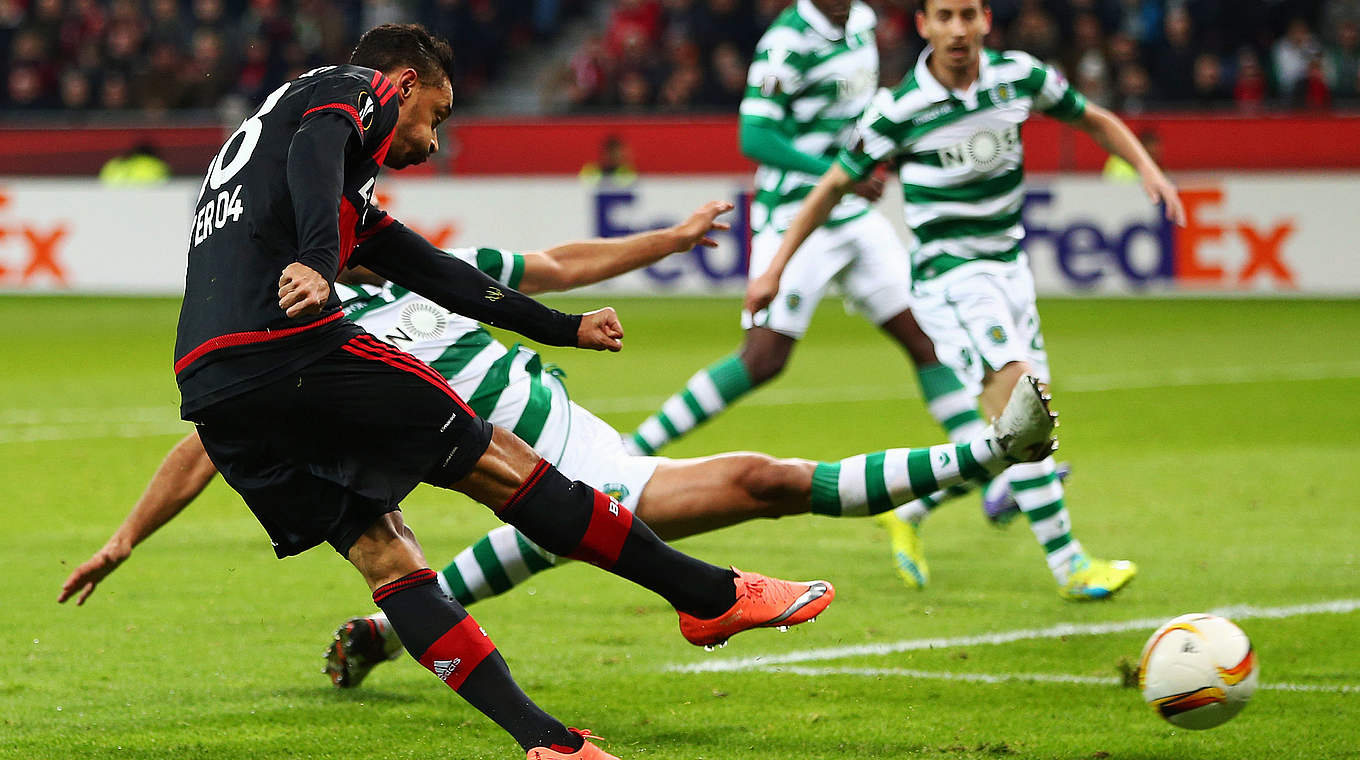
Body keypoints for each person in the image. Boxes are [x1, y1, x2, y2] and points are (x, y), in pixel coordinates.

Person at [74, 23, 841, 760]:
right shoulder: (344, 92)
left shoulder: (288, 160)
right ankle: (706, 596)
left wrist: (560, 328)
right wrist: (315, 259)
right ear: (402, 85)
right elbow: (321, 145)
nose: (433, 141)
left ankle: (548, 742)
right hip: (288, 347)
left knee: (384, 551)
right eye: (435, 116)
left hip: (212, 384)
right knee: (499, 461)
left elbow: (435, 272)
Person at [60, 204, 1060, 691]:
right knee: (761, 481)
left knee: (549, 531)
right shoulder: (312, 346)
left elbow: (552, 262)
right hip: (542, 481)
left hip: (579, 459)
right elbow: (209, 444)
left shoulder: (429, 273)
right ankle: (989, 453)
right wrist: (125, 535)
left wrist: (661, 242)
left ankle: (376, 635)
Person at [746, 0, 1189, 601]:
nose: (957, 29)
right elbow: (831, 185)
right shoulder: (897, 109)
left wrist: (1145, 168)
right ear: (923, 25)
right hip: (948, 279)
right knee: (1023, 405)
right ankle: (1071, 565)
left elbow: (1093, 117)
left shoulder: (1019, 77)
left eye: (968, 15)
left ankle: (909, 510)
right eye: (944, 16)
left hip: (1010, 272)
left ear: (986, 20)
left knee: (1019, 437)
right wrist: (775, 266)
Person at [621, 0, 1011, 590]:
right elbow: (753, 134)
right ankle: (633, 451)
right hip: (796, 213)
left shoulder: (859, 24)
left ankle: (990, 469)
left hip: (853, 212)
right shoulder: (786, 42)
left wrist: (871, 155)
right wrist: (835, 168)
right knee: (763, 359)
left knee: (925, 338)